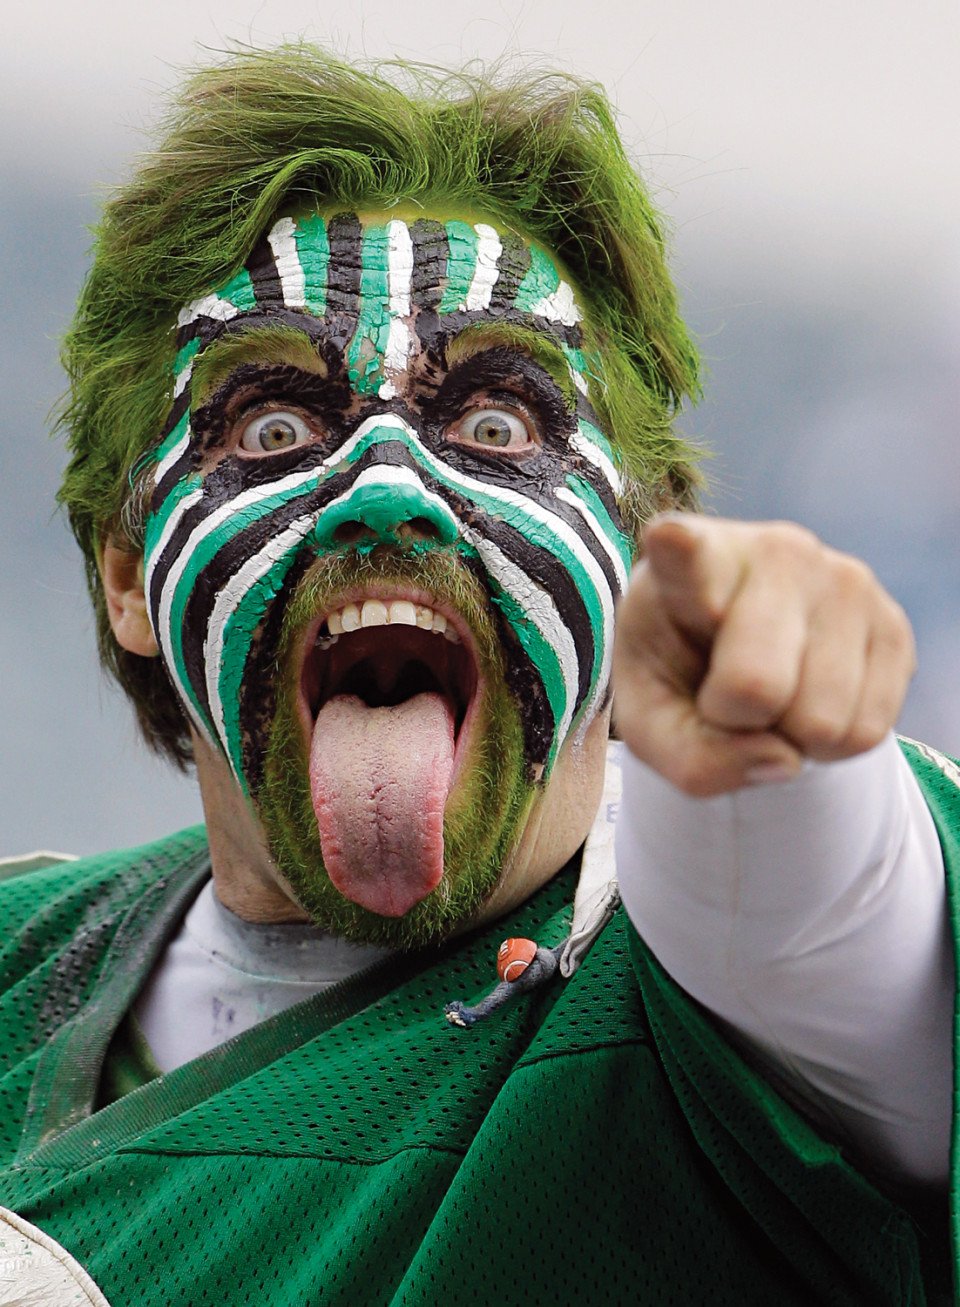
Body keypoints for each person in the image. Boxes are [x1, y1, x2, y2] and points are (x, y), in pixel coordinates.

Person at [0, 46, 954, 1306]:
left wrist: (774, 736)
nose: (389, 487)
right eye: (272, 427)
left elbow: (811, 899)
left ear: (640, 542)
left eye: (501, 425)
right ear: (130, 575)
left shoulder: (707, 987)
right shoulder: (27, 957)